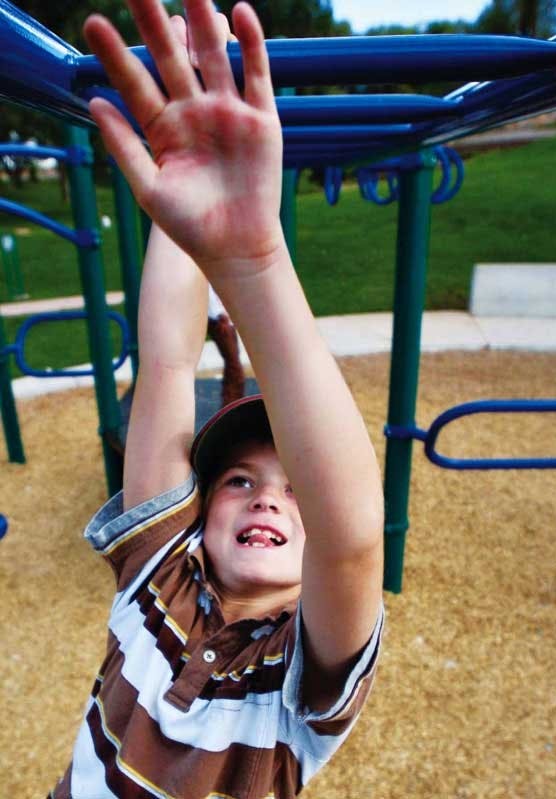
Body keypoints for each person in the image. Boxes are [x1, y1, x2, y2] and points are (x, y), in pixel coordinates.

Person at [49, 1, 384, 796]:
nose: (267, 498)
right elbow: (166, 364)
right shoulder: (157, 571)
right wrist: (194, 213)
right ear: (201, 509)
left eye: (294, 491)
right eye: (239, 480)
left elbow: (351, 537)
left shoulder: (303, 674)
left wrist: (257, 260)